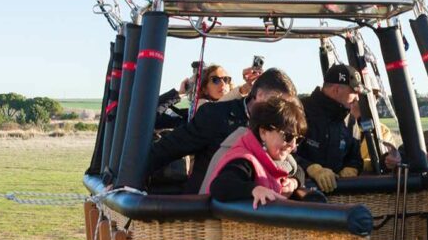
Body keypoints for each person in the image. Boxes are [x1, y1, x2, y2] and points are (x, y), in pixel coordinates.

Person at [149, 68, 298, 193]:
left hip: (254, 214)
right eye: (277, 103)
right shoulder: (215, 116)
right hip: (209, 210)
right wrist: (131, 183)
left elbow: (296, 161)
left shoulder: (281, 125)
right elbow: (167, 149)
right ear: (259, 95)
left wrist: (295, 182)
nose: (282, 110)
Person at [206, 95, 308, 208]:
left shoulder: (274, 156)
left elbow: (298, 170)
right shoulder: (244, 160)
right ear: (263, 132)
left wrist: (294, 182)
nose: (293, 145)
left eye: (298, 139)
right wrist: (254, 189)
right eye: (288, 136)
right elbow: (220, 186)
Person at [297, 64, 364, 192]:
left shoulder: (350, 121)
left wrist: (352, 168)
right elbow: (282, 154)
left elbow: (355, 158)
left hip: (337, 197)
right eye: (354, 92)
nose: (357, 98)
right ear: (336, 90)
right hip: (300, 196)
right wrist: (311, 168)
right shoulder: (299, 111)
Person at [347, 97, 401, 173]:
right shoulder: (338, 127)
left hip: (368, 180)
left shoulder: (382, 131)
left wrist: (390, 160)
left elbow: (386, 160)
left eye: (375, 98)